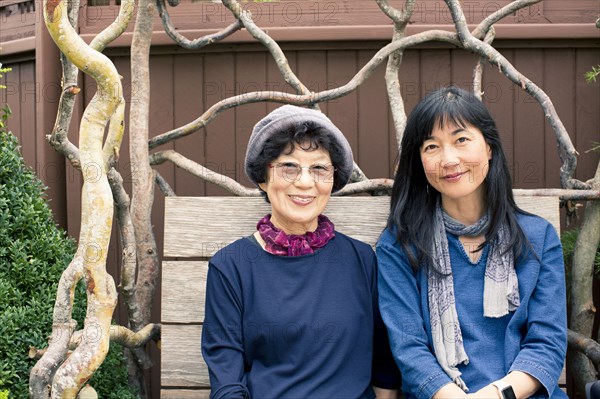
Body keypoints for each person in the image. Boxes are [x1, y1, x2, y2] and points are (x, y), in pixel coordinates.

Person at [376, 87, 567, 399]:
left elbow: (546, 342)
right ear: (420, 161)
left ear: (489, 147)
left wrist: (493, 396)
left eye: (461, 140)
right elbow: (409, 347)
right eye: (431, 146)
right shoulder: (400, 245)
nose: (449, 159)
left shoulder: (538, 238)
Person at [201, 104, 401, 399]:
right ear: (263, 178)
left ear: (332, 180)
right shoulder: (231, 266)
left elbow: (385, 368)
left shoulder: (362, 260)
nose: (305, 182)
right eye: (289, 167)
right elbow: (227, 379)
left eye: (319, 168)